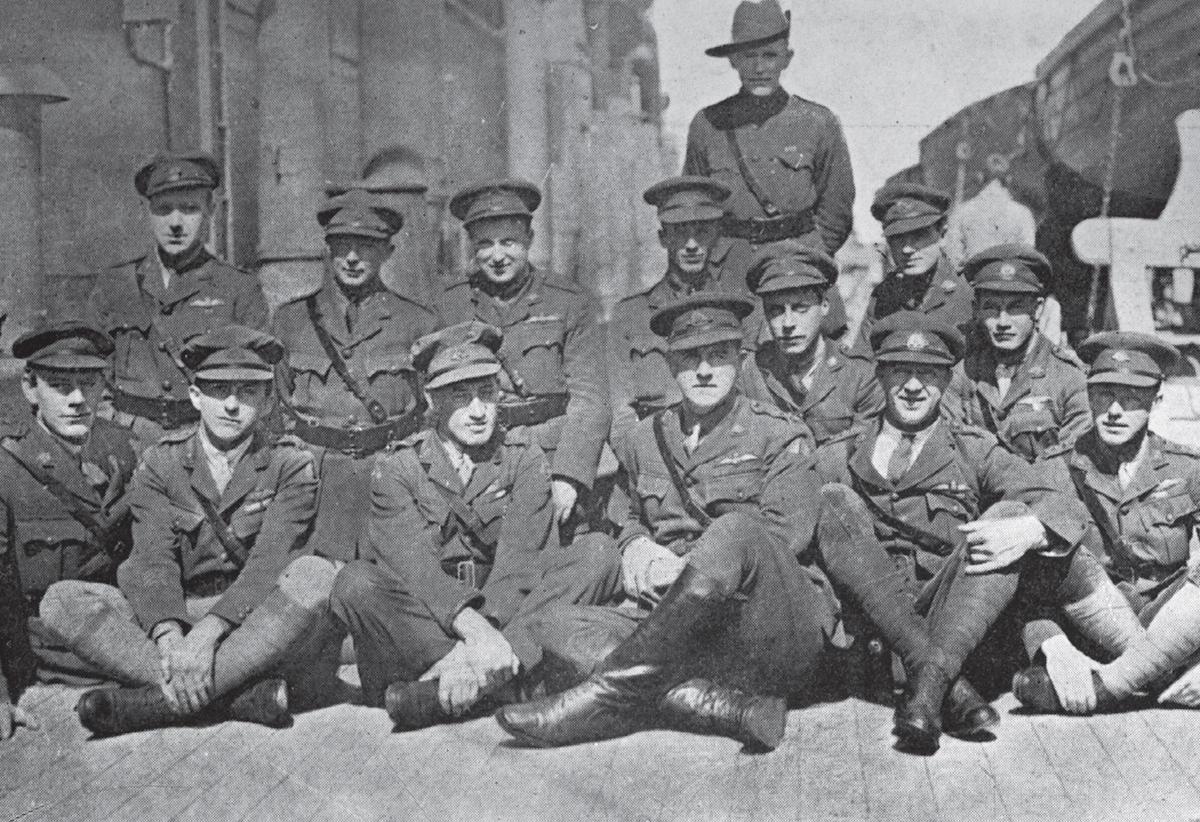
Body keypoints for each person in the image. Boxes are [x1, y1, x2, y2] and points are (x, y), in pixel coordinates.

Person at [496, 293, 836, 752]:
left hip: (761, 623)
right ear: (671, 364)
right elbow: (630, 517)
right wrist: (638, 547)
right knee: (551, 624)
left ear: (740, 359)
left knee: (735, 530)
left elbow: (783, 540)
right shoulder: (646, 438)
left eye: (718, 356)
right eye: (690, 357)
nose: (704, 371)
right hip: (677, 630)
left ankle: (610, 693)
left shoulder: (778, 433)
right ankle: (717, 704)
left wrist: (691, 570)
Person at [814, 311, 1123, 753]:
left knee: (1009, 516)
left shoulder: (972, 449)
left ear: (946, 380)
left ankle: (928, 684)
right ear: (880, 376)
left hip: (953, 617)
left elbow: (1061, 504)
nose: (913, 386)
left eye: (928, 373)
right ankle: (939, 683)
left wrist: (1029, 530)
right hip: (876, 634)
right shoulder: (842, 452)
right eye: (901, 371)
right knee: (833, 501)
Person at [38, 326, 340, 736]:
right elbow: (152, 560)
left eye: (248, 391)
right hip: (182, 610)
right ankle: (231, 697)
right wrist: (169, 636)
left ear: (269, 400)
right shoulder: (160, 462)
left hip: (253, 619)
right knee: (61, 600)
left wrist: (209, 635)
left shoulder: (290, 464)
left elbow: (269, 565)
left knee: (316, 576)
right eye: (218, 390)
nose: (231, 405)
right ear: (196, 396)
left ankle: (156, 703)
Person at [329, 321, 621, 730]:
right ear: (431, 399)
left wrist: (487, 640)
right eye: (460, 396)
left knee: (597, 552)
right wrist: (476, 638)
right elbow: (417, 574)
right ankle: (505, 680)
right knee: (355, 582)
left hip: (502, 619)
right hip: (427, 630)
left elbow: (521, 568)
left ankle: (454, 690)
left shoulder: (523, 457)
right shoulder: (397, 467)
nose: (479, 411)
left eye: (487, 392)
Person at [1013, 333, 1200, 715]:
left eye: (1131, 398)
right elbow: (1025, 575)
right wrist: (1052, 644)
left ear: (1156, 400)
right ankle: (1157, 675)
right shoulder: (1056, 467)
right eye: (1104, 395)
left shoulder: (1187, 468)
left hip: (1171, 622)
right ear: (1089, 396)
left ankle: (1113, 685)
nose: (1115, 411)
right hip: (1092, 630)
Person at [271, 190, 439, 561]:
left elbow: (431, 416)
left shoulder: (417, 323)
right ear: (328, 250)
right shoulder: (290, 321)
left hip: (389, 480)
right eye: (342, 246)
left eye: (365, 247)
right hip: (314, 484)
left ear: (387, 252)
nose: (351, 257)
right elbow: (275, 410)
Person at [437, 179, 609, 533]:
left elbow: (590, 400)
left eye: (508, 242)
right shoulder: (450, 304)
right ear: (471, 246)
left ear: (529, 239)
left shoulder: (568, 301)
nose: (497, 256)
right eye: (484, 244)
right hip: (476, 456)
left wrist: (569, 475)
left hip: (550, 454)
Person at [0, 323, 140, 738]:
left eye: (89, 384)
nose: (77, 400)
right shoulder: (7, 468)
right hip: (54, 664)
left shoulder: (126, 448)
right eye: (60, 386)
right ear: (30, 387)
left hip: (128, 640)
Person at [684, 0, 854, 339]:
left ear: (787, 58)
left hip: (800, 264)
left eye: (769, 55)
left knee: (816, 358)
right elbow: (694, 209)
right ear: (733, 60)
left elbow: (836, 209)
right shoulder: (708, 125)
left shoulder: (817, 122)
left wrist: (809, 256)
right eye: (749, 56)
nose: (759, 67)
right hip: (733, 272)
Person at [87, 151, 268, 449]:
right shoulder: (115, 284)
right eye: (164, 209)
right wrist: (109, 429)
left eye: (189, 209)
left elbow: (259, 380)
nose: (175, 222)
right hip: (127, 441)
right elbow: (93, 370)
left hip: (206, 441)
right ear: (146, 211)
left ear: (210, 210)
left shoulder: (238, 288)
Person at [607, 176, 745, 449]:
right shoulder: (630, 316)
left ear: (716, 236)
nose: (692, 244)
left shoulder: (741, 310)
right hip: (652, 451)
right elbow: (621, 415)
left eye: (702, 232)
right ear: (663, 238)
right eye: (680, 232)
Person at [951, 244, 1090, 461]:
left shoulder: (1069, 378)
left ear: (1038, 309)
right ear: (976, 309)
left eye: (1016, 307)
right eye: (991, 308)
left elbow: (1073, 460)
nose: (1003, 322)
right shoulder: (964, 373)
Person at [739, 240, 882, 446]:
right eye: (776, 311)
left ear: (824, 306)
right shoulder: (749, 373)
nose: (788, 323)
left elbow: (865, 451)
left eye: (800, 309)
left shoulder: (859, 376)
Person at [854, 183, 973, 354]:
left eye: (919, 235)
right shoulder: (884, 295)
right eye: (897, 238)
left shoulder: (966, 293)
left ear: (942, 234)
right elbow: (862, 360)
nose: (907, 249)